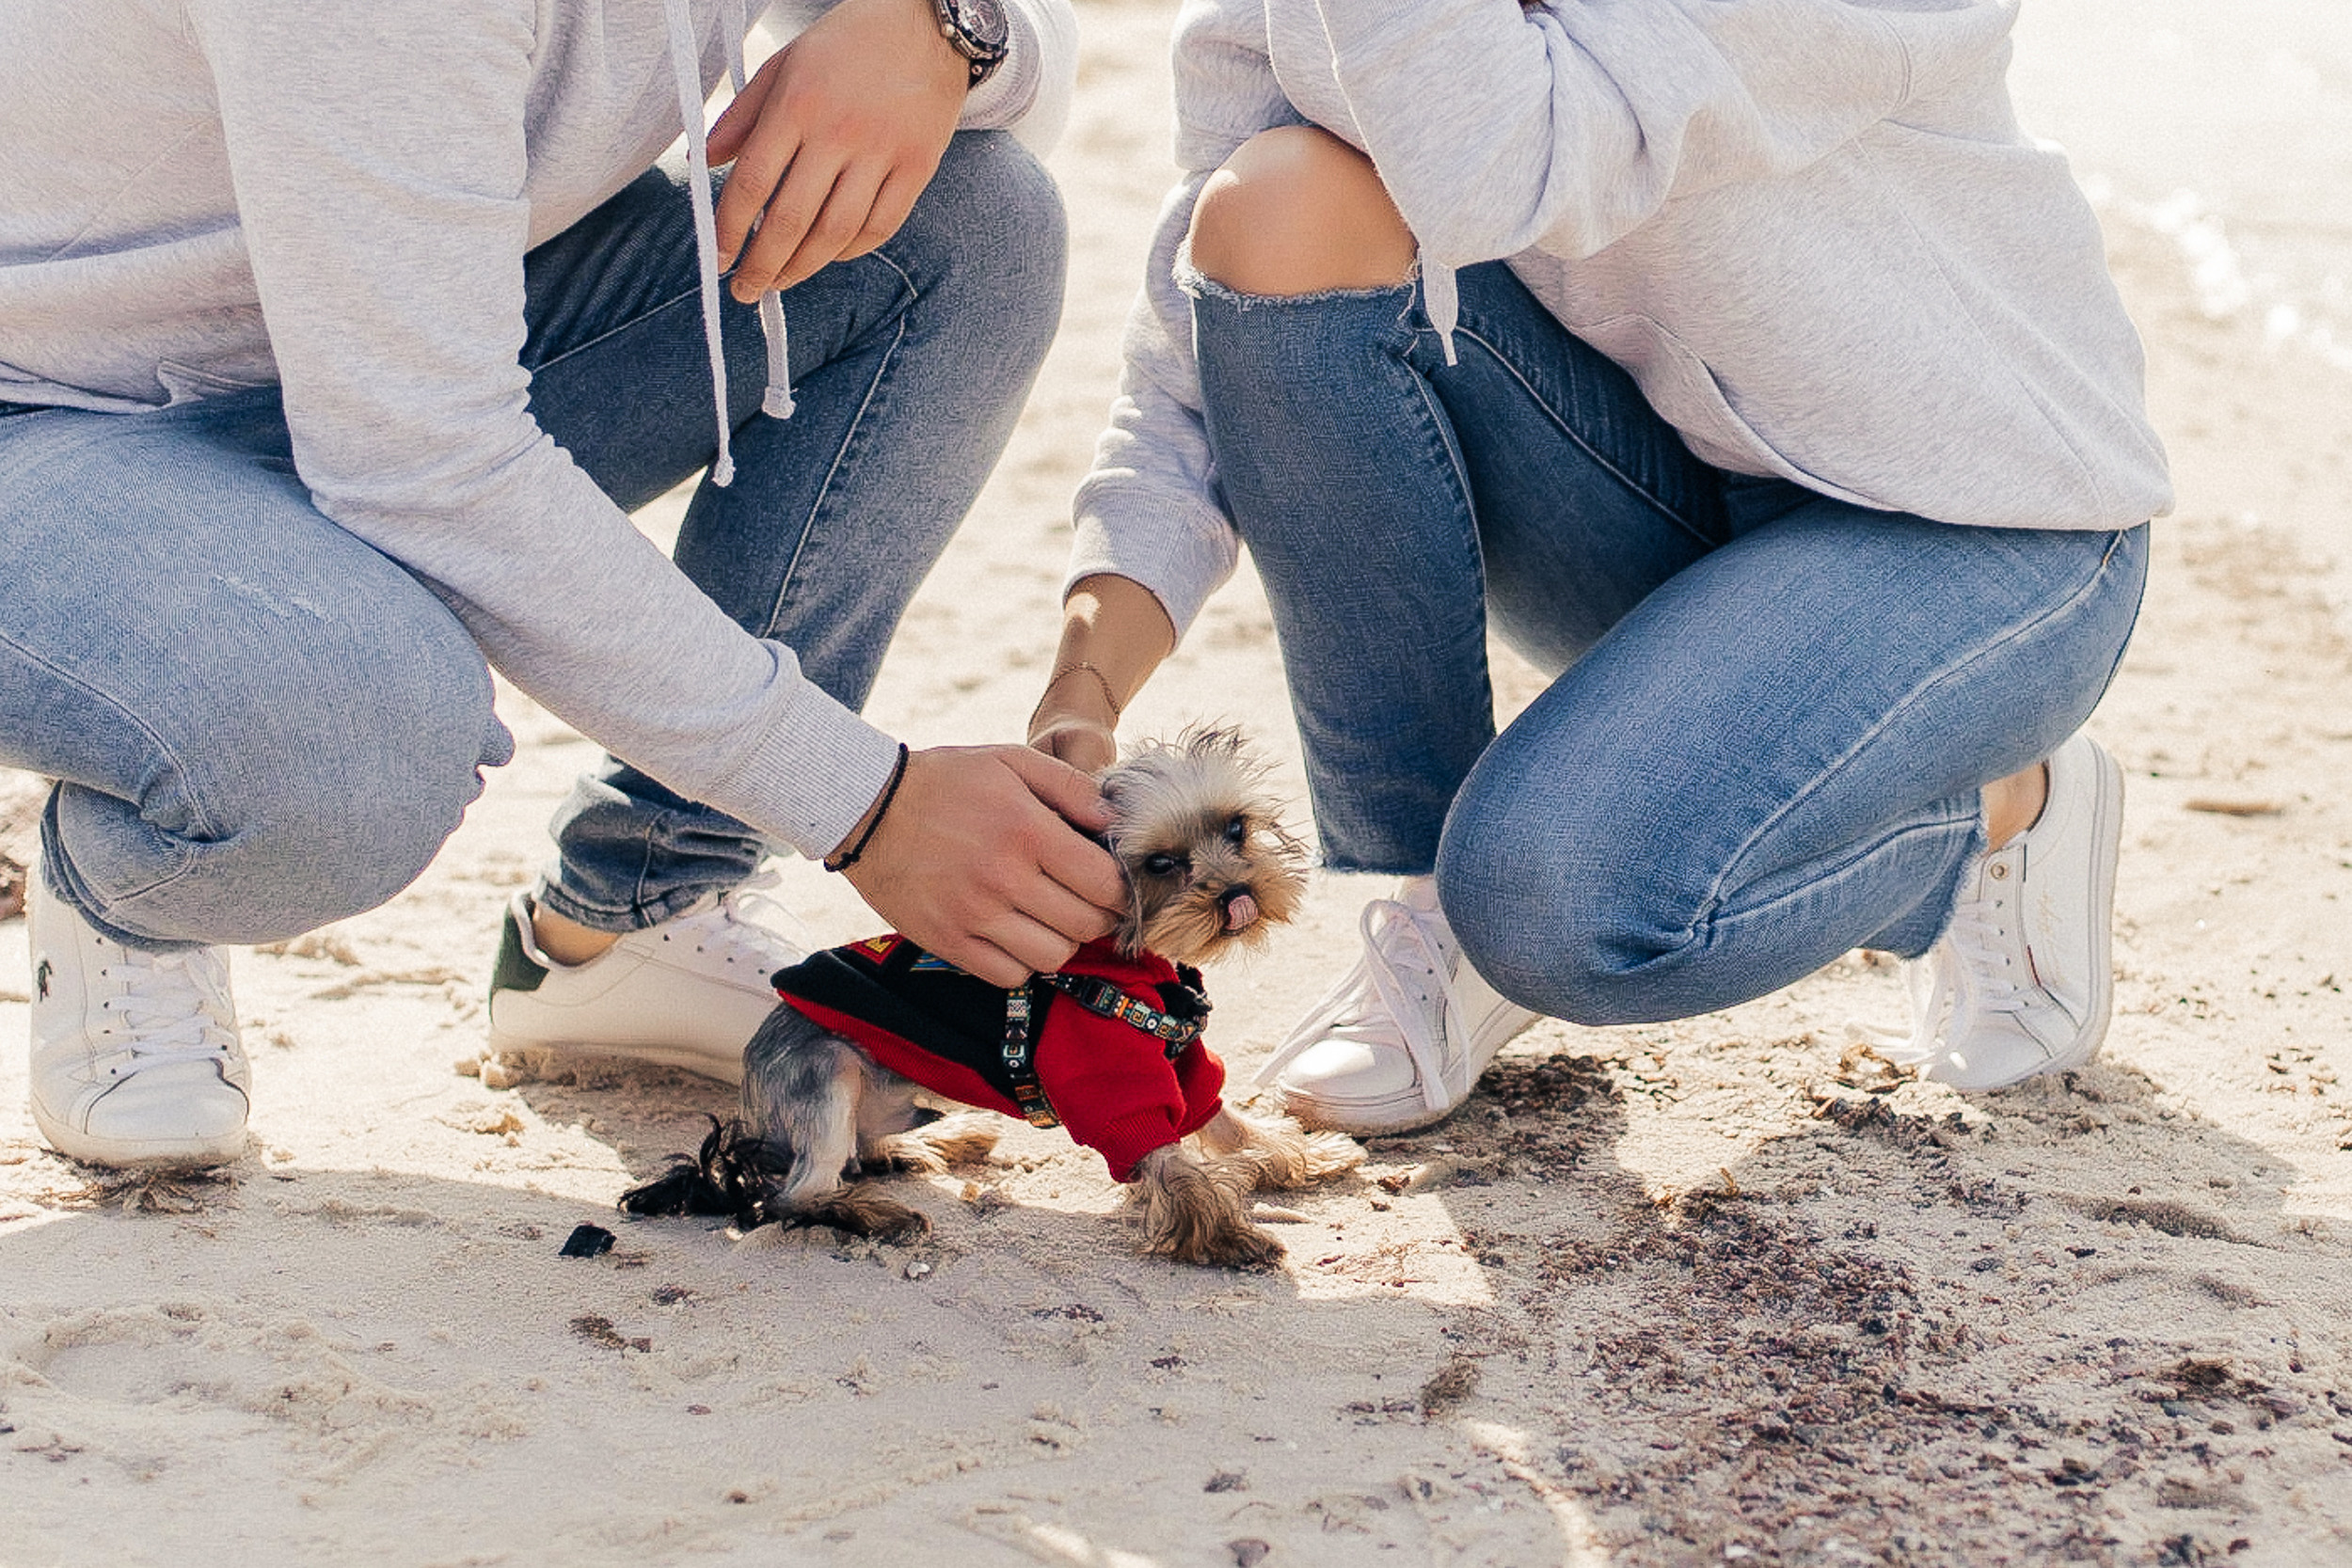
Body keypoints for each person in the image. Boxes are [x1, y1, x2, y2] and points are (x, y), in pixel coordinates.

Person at [2, 0, 1127, 1170]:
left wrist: (937, 32)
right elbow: (421, 461)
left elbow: (1024, 100)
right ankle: (134, 879)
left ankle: (637, 911)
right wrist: (865, 803)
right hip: (45, 401)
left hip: (383, 331)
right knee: (353, 736)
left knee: (971, 222)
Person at [1027, 0, 2169, 1134]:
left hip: (1981, 521)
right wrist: (1082, 692)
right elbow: (1207, 333)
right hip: (1667, 488)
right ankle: (1436, 906)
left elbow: (1505, 160)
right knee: (1280, 204)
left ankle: (2000, 803)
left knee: (1564, 910)